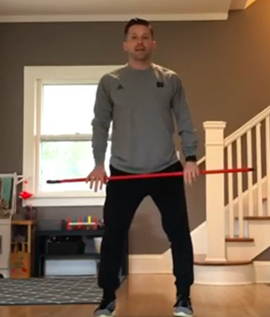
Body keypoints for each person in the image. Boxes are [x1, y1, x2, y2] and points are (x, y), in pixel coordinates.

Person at [88, 18, 199, 317]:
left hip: (166, 169)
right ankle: (107, 298)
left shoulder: (170, 79)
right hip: (124, 171)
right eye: (134, 37)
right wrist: (98, 163)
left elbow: (185, 120)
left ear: (153, 43)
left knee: (178, 233)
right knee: (113, 235)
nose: (139, 42)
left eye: (145, 37)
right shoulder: (110, 81)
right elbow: (100, 125)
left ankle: (184, 297)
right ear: (125, 44)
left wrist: (191, 157)